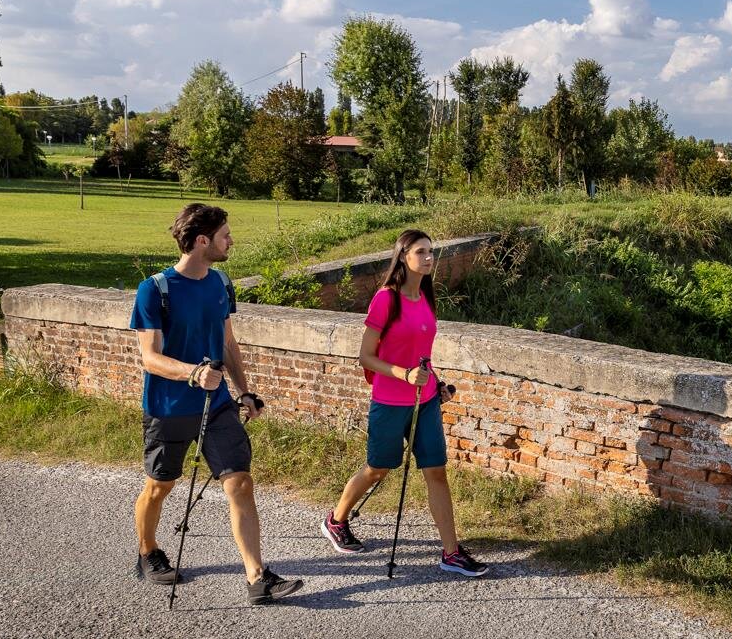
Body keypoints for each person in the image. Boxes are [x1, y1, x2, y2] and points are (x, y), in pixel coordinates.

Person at [130, 203, 304, 605]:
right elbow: (149, 357)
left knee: (240, 483)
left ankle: (257, 577)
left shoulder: (222, 282)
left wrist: (243, 391)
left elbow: (228, 343)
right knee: (159, 487)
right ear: (203, 240)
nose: (231, 241)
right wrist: (192, 373)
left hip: (219, 405)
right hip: (169, 407)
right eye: (225, 234)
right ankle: (147, 551)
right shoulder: (155, 290)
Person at [320, 229, 489, 577]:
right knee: (378, 468)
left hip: (424, 402)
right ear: (403, 257)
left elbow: (421, 357)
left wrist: (435, 382)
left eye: (431, 252)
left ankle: (450, 552)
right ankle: (336, 520)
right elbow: (366, 356)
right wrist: (404, 374)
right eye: (421, 252)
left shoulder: (426, 298)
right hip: (390, 400)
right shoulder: (386, 299)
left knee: (436, 472)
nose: (428, 258)